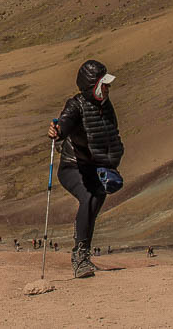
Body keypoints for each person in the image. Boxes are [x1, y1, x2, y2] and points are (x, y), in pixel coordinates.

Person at [48, 59, 124, 279]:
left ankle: (84, 254)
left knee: (97, 199)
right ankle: (79, 258)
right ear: (93, 86)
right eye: (104, 84)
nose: (108, 88)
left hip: (95, 169)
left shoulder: (106, 107)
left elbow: (112, 135)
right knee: (89, 197)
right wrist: (57, 131)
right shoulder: (76, 105)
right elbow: (65, 123)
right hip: (72, 167)